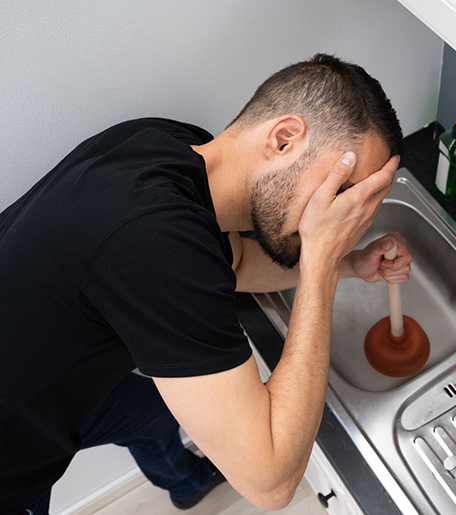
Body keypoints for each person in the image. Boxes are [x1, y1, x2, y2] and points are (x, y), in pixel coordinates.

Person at [0, 54, 412, 514]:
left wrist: (350, 263)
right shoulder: (154, 242)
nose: (344, 218)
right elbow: (271, 482)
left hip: (42, 373)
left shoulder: (174, 148)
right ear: (284, 138)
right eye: (343, 191)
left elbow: (235, 263)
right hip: (11, 464)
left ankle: (184, 481)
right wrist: (321, 262)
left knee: (153, 414)